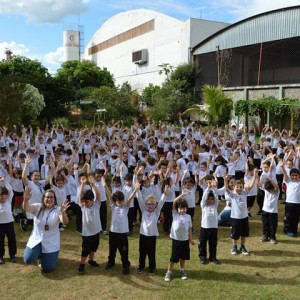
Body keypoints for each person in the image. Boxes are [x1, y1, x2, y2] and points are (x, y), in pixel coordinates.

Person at [23, 187, 69, 272]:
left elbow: (65, 222)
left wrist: (63, 212)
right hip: (37, 239)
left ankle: (44, 257)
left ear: (54, 199)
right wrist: (26, 200)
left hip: (51, 241)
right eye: (47, 197)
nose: (49, 199)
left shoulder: (58, 209)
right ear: (43, 198)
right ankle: (38, 254)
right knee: (28, 259)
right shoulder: (37, 207)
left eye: (51, 197)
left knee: (48, 268)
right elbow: (26, 208)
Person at [104, 182, 139, 274]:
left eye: (122, 201)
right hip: (113, 233)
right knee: (112, 249)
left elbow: (130, 198)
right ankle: (111, 262)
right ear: (115, 202)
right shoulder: (113, 207)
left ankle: (125, 265)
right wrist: (105, 186)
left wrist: (135, 190)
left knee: (124, 250)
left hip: (122, 234)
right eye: (119, 202)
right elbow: (109, 195)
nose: (122, 203)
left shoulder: (126, 207)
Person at [136, 183, 168, 275]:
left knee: (151, 253)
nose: (150, 206)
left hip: (152, 236)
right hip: (143, 236)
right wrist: (137, 190)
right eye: (149, 204)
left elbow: (161, 202)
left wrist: (165, 194)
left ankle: (152, 268)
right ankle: (141, 266)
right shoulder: (144, 210)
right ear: (146, 204)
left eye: (153, 204)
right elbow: (140, 200)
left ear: (155, 205)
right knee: (142, 252)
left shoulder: (156, 212)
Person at [224, 170, 258, 256]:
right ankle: (234, 246)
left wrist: (254, 175)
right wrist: (225, 180)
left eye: (241, 187)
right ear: (234, 187)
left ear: (243, 188)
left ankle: (243, 246)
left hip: (244, 217)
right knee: (235, 234)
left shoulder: (245, 193)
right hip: (235, 218)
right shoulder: (232, 195)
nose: (239, 189)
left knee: (244, 233)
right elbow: (227, 189)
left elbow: (250, 185)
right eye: (237, 187)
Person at [164, 192, 195, 282]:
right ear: (177, 209)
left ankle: (182, 271)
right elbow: (174, 201)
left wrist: (191, 239)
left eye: (184, 208)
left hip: (185, 240)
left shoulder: (188, 217)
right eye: (180, 208)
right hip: (176, 240)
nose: (182, 210)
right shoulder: (175, 214)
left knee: (183, 257)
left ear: (186, 208)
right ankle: (169, 272)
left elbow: (189, 229)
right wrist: (182, 195)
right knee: (173, 258)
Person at [77, 175, 102, 274]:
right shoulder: (83, 207)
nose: (84, 203)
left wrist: (93, 185)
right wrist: (83, 184)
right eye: (83, 201)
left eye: (86, 201)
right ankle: (82, 264)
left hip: (96, 232)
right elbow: (79, 196)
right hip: (87, 233)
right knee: (85, 250)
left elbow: (98, 194)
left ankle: (91, 261)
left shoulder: (96, 205)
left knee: (93, 247)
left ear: (92, 200)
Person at [199, 182, 220, 265]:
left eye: (211, 199)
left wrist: (214, 188)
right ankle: (202, 257)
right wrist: (208, 188)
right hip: (205, 227)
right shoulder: (203, 205)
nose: (210, 200)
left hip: (214, 227)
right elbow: (204, 198)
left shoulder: (215, 205)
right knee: (202, 243)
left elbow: (216, 197)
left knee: (213, 243)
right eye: (209, 199)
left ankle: (213, 257)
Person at [279, 160, 300, 237]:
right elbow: (285, 173)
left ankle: (294, 230)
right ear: (290, 176)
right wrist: (282, 166)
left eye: (296, 175)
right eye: (293, 175)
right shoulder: (288, 181)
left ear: (298, 175)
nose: (294, 177)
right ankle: (287, 230)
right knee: (288, 217)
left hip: (298, 203)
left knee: (296, 217)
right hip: (289, 203)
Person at [0, 177, 17, 264]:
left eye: (5, 198)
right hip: (0, 224)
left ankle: (12, 255)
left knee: (11, 239)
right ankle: (0, 256)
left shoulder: (9, 200)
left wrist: (4, 181)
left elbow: (10, 189)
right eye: (1, 198)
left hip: (9, 223)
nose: (3, 200)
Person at [259, 178, 279, 244]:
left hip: (273, 212)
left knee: (273, 225)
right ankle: (265, 236)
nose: (269, 191)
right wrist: (256, 175)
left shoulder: (276, 192)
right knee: (265, 224)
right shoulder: (266, 190)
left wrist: (270, 180)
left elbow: (276, 187)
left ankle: (272, 237)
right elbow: (258, 184)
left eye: (270, 189)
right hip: (265, 210)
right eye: (268, 190)